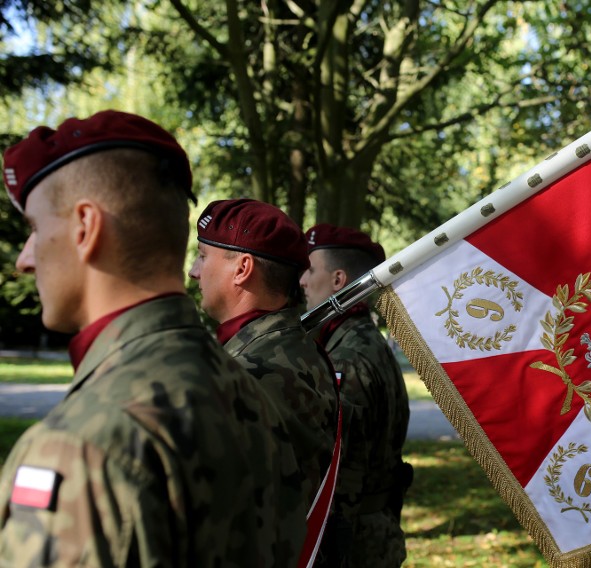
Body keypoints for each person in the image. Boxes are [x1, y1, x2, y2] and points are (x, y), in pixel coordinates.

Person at [0, 111, 306, 567]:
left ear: (85, 228)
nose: (25, 259)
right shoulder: (248, 389)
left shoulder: (82, 445)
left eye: (36, 229)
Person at [189, 198, 338, 511]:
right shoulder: (282, 348)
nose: (194, 272)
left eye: (202, 257)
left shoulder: (252, 374)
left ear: (242, 268)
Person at [300, 224, 411, 568]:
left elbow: (344, 474)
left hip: (356, 546)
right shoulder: (366, 343)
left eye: (310, 269)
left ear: (338, 280)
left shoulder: (346, 359)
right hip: (375, 535)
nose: (301, 280)